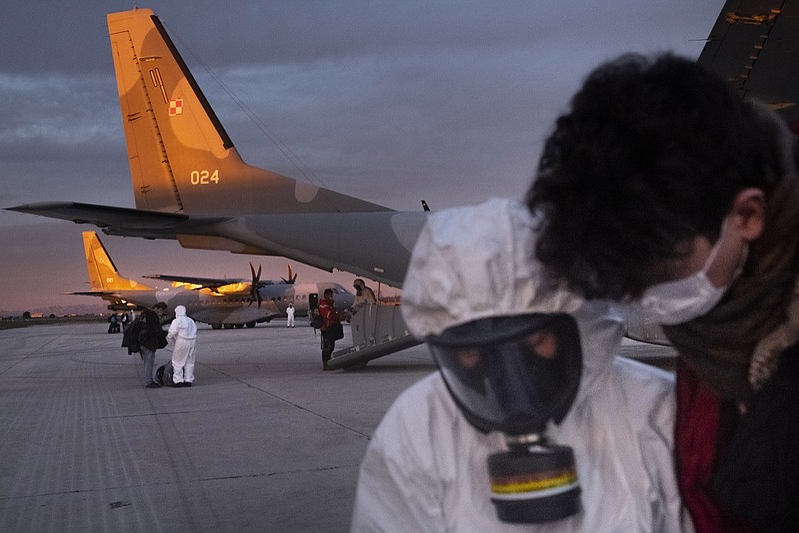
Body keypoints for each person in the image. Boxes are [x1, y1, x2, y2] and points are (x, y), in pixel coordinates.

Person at [526, 53, 799, 531]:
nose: (648, 298)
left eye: (663, 269)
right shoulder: (722, 317)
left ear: (748, 216)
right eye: (625, 280)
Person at [351, 198, 691, 531]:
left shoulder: (654, 412)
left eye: (536, 342)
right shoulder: (415, 430)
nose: (510, 381)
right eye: (474, 354)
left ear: (580, 328)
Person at [134, 302, 168, 389]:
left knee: (146, 362)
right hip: (148, 343)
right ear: (157, 308)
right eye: (161, 310)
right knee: (149, 362)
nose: (161, 312)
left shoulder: (145, 314)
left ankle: (148, 380)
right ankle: (148, 381)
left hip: (142, 342)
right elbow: (155, 330)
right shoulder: (152, 315)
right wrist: (166, 333)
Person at [166, 305, 197, 387]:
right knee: (190, 361)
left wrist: (170, 337)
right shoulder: (190, 320)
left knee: (177, 361)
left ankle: (178, 380)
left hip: (182, 341)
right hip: (192, 341)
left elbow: (171, 333)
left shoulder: (177, 321)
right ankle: (188, 380)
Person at [318, 288, 345, 371]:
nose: (331, 297)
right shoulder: (324, 305)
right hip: (326, 328)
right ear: (326, 295)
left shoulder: (330, 304)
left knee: (331, 345)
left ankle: (328, 362)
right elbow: (329, 315)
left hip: (331, 327)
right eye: (330, 295)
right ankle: (325, 364)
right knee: (327, 346)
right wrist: (338, 316)